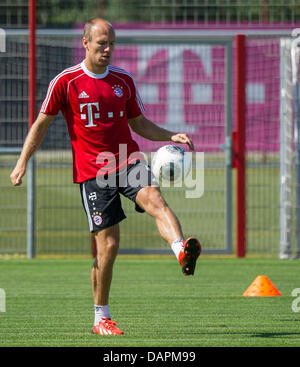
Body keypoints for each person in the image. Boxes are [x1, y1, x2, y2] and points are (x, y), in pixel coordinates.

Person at [10, 18, 201, 336]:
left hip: (127, 161)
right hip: (92, 173)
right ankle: (101, 317)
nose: (108, 49)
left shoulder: (123, 80)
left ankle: (181, 249)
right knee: (108, 246)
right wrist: (21, 163)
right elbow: (40, 125)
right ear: (86, 43)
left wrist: (171, 135)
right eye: (102, 43)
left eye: (112, 43)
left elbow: (139, 124)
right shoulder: (66, 82)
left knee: (154, 198)